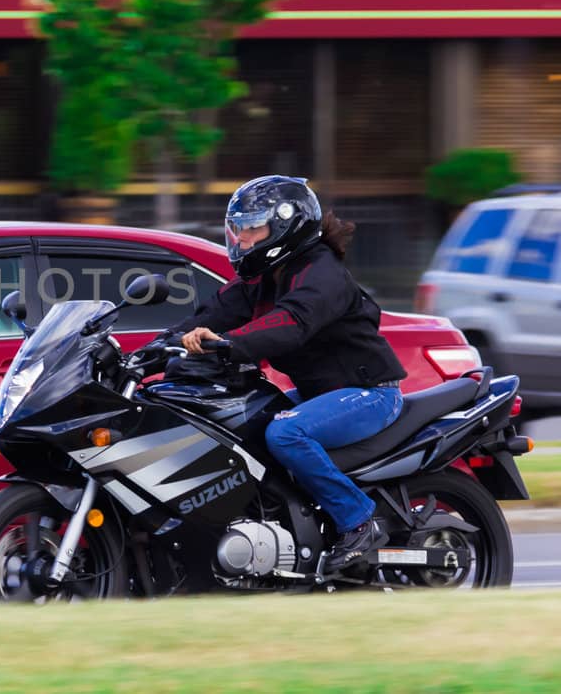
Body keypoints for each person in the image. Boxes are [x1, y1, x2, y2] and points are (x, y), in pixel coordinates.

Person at [163, 175, 408, 573]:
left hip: (368, 393)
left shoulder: (321, 273)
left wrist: (228, 343)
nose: (241, 238)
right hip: (320, 395)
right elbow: (209, 315)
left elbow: (291, 321)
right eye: (238, 228)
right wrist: (152, 348)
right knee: (242, 425)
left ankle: (359, 521)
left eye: (252, 228)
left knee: (285, 432)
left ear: (285, 225)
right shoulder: (262, 278)